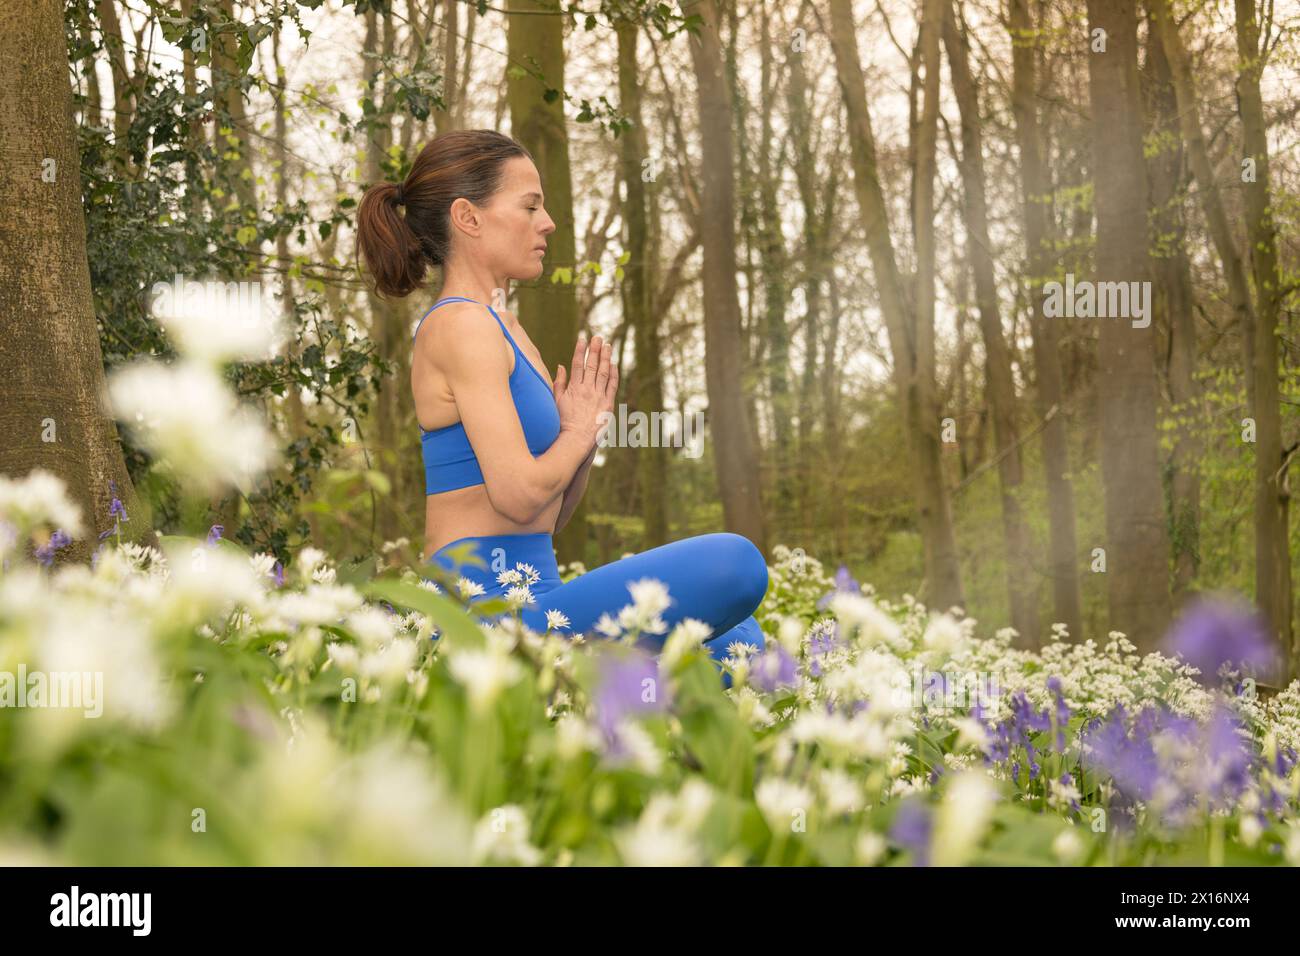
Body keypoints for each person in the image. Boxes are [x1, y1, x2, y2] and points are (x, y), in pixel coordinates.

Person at [355, 129, 767, 671]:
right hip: (482, 610)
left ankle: (578, 708)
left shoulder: (506, 327)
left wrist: (586, 434)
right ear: (468, 217)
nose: (547, 222)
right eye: (529, 206)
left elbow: (547, 517)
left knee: (743, 643)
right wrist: (573, 433)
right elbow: (519, 496)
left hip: (539, 600)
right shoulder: (460, 325)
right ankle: (536, 687)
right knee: (735, 566)